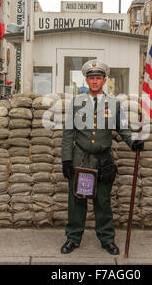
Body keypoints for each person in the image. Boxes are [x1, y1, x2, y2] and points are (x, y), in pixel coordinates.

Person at [61, 60, 144, 256]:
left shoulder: (114, 104)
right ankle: (73, 238)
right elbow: (68, 133)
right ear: (86, 80)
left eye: (98, 78)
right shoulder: (76, 103)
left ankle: (107, 239)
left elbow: (123, 129)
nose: (95, 81)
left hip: (103, 160)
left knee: (103, 202)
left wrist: (133, 143)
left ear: (104, 80)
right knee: (77, 201)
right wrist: (66, 160)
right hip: (81, 159)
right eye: (91, 78)